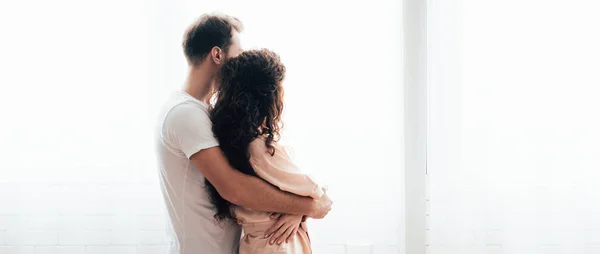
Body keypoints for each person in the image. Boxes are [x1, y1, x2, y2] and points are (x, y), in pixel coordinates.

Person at [154, 13, 332, 254]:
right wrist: (307, 206)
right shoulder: (185, 114)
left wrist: (298, 209)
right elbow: (234, 188)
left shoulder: (207, 113)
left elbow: (264, 176)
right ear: (217, 55)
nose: (242, 59)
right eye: (238, 51)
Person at [206, 48, 322, 254]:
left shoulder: (232, 145)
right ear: (267, 98)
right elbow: (317, 196)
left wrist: (296, 212)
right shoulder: (259, 149)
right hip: (278, 245)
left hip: (258, 244)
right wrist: (300, 210)